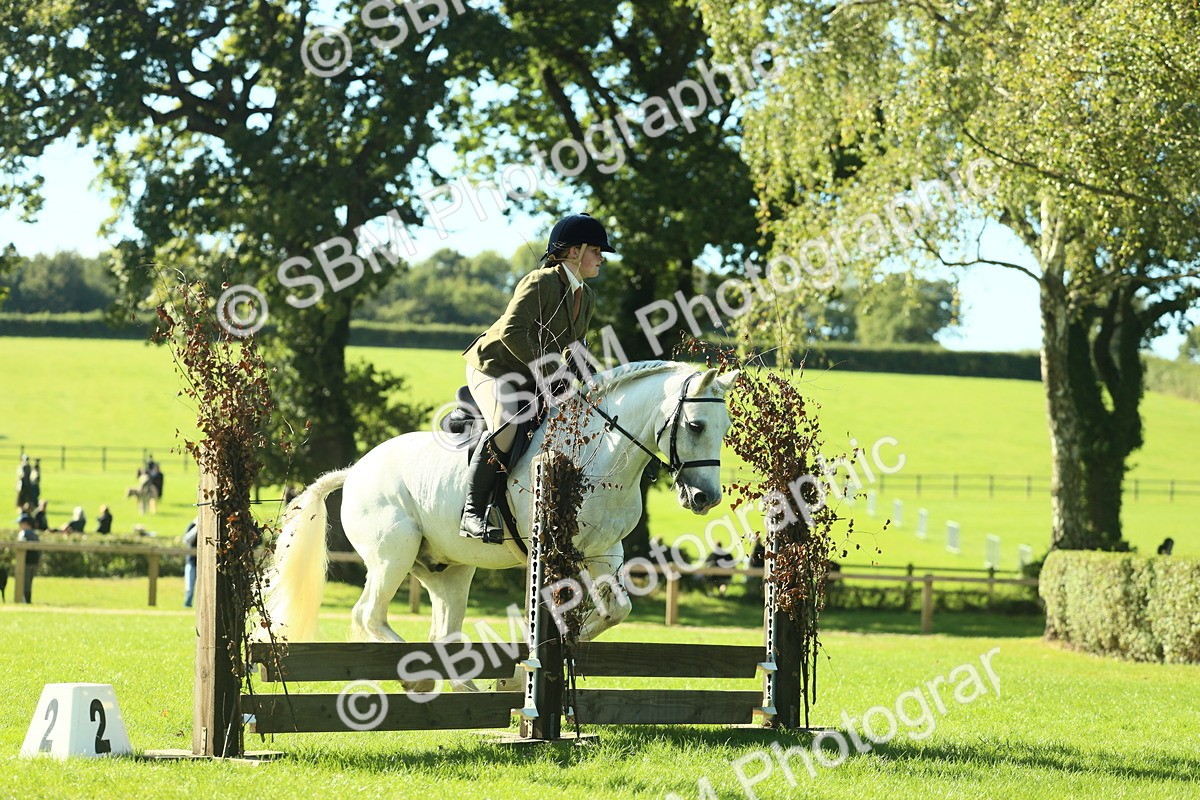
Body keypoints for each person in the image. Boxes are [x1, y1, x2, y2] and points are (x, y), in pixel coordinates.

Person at [458, 212, 613, 542]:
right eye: (596, 251)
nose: (601, 258)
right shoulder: (539, 282)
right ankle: (471, 511)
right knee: (510, 423)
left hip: (530, 375)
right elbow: (512, 333)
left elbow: (577, 348)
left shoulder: (586, 297)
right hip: (493, 367)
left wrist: (598, 386)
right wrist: (550, 373)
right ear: (574, 251)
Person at [17, 513, 40, 603]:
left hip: (25, 561)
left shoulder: (23, 533)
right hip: (34, 561)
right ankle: (28, 599)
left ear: (26, 524)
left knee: (24, 581)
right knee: (29, 582)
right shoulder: (35, 534)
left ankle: (25, 600)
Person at [183, 518, 199, 607]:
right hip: (191, 561)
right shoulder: (192, 525)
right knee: (189, 586)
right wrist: (196, 528)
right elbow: (187, 540)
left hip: (201, 564)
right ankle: (187, 604)